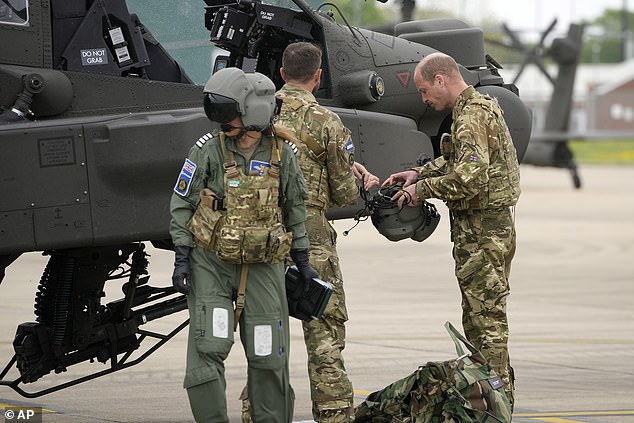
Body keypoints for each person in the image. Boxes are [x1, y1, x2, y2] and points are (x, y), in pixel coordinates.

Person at [241, 41, 379, 423]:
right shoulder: (326, 122)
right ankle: (334, 415)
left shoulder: (254, 117)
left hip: (261, 237)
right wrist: (358, 180)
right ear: (318, 77)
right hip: (312, 237)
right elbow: (345, 193)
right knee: (324, 333)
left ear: (282, 74)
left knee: (265, 333)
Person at [170, 67, 317, 423]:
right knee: (209, 345)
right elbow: (182, 203)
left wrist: (302, 258)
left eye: (230, 114)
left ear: (254, 113)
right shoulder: (207, 151)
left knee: (269, 355)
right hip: (212, 263)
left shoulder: (284, 154)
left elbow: (295, 207)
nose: (223, 123)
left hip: (265, 266)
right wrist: (182, 257)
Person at [383, 52, 520, 409]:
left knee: (486, 325)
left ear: (442, 80)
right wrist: (421, 172)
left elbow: (470, 178)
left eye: (425, 90)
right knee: (480, 320)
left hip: (483, 235)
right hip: (486, 232)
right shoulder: (476, 109)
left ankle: (496, 407)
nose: (424, 99)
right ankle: (489, 403)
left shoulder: (472, 116)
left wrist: (420, 192)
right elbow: (463, 160)